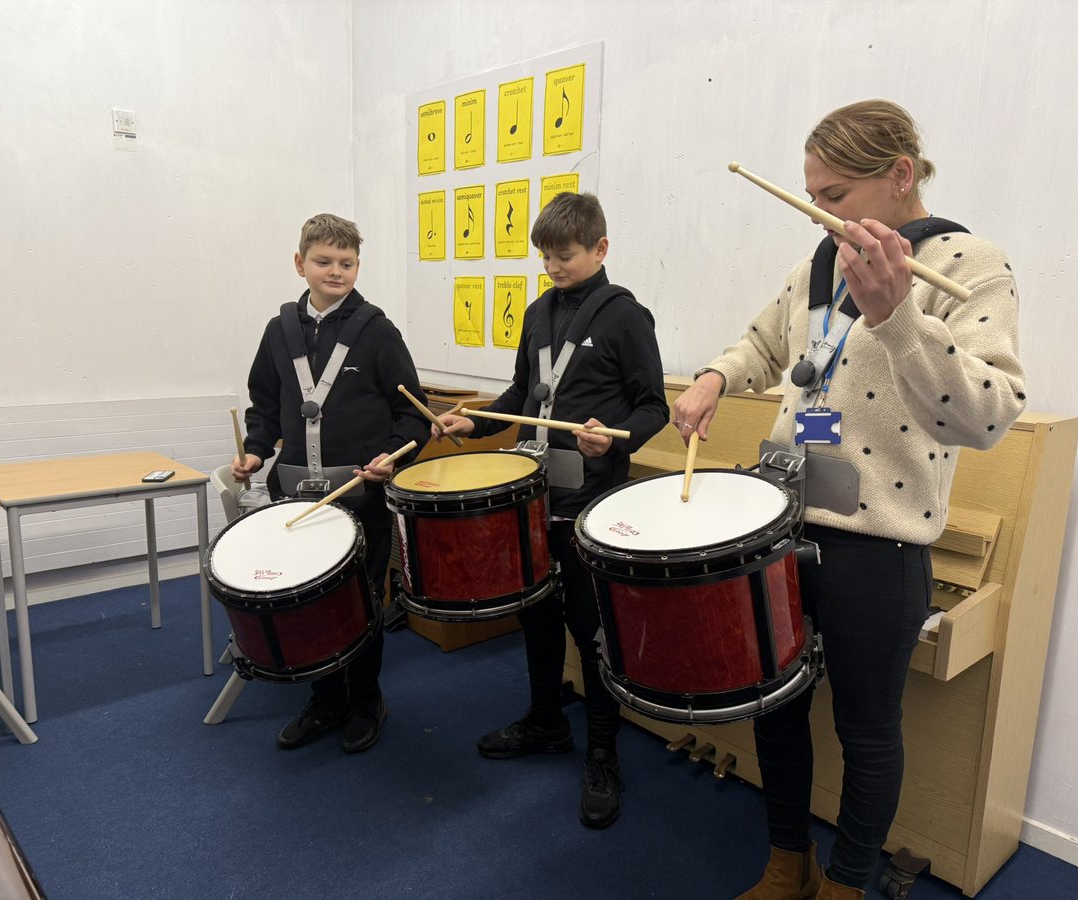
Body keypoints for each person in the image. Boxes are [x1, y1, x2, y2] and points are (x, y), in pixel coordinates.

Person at [673, 100, 1026, 899]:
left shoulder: (972, 267)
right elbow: (765, 341)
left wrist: (898, 316)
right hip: (782, 523)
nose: (819, 212)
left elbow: (989, 412)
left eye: (834, 195)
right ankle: (785, 862)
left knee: (867, 732)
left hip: (880, 543)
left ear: (900, 176)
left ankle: (847, 882)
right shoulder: (820, 263)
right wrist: (716, 376)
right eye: (811, 195)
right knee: (777, 708)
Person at [433, 192, 668, 828]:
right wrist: (472, 421)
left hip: (590, 500)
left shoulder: (626, 317)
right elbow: (521, 393)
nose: (553, 266)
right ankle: (544, 721)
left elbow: (654, 406)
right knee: (534, 614)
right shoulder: (537, 313)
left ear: (600, 248)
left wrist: (613, 433)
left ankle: (602, 751)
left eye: (564, 255)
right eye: (545, 256)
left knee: (591, 628)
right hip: (533, 494)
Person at [233, 213, 429, 754]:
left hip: (359, 497)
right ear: (300, 264)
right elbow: (265, 405)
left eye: (346, 263)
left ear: (358, 267)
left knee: (362, 600)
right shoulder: (279, 332)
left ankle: (366, 699)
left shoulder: (377, 330)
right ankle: (324, 700)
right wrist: (254, 449)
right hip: (294, 498)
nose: (335, 271)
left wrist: (393, 455)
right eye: (324, 261)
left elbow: (412, 414)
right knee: (307, 603)